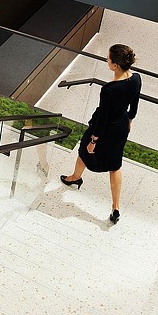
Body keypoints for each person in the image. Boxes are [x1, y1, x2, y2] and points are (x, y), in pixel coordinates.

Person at [60, 44, 141, 224]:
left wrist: (94, 140)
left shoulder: (109, 89)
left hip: (105, 129)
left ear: (115, 65)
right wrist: (129, 120)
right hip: (121, 128)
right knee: (115, 165)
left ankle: (75, 177)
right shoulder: (136, 79)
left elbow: (103, 118)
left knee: (84, 149)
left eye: (108, 59)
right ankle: (115, 207)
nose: (106, 60)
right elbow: (134, 104)